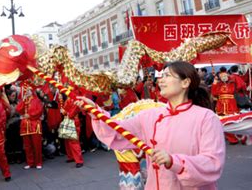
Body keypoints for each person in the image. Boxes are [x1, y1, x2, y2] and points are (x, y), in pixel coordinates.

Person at [77, 61, 225, 189]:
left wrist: (174, 161)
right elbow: (117, 132)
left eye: (167, 76)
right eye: (162, 75)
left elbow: (212, 163)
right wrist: (95, 111)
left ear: (185, 82)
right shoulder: (150, 115)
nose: (160, 80)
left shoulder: (206, 118)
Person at [16, 85, 44, 170]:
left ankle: (38, 162)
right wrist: (23, 100)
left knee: (37, 145)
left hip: (35, 125)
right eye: (25, 91)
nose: (27, 92)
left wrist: (30, 115)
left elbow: (39, 111)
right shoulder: (24, 100)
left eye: (28, 90)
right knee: (27, 146)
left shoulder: (37, 100)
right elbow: (18, 109)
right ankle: (30, 162)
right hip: (25, 126)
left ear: (32, 91)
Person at [61, 96, 84, 168]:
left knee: (74, 141)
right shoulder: (68, 98)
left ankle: (79, 160)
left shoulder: (76, 99)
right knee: (67, 140)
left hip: (73, 121)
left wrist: (64, 112)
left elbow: (72, 113)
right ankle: (71, 156)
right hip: (67, 121)